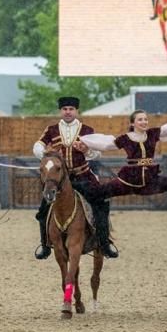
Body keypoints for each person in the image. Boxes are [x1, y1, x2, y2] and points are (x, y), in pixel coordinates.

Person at [33, 96, 118, 259]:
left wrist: (86, 150)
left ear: (76, 111)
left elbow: (97, 154)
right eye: (65, 109)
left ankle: (104, 243)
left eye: (71, 109)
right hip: (59, 180)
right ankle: (45, 245)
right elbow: (37, 145)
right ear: (60, 111)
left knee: (101, 204)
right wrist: (44, 153)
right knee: (43, 210)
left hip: (83, 175)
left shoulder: (87, 130)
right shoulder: (51, 130)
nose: (68, 112)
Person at [78, 109, 167, 198]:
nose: (144, 122)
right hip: (128, 180)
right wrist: (84, 141)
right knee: (98, 193)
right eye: (140, 120)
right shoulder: (126, 138)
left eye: (145, 119)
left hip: (151, 180)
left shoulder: (152, 134)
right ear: (132, 123)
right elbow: (106, 145)